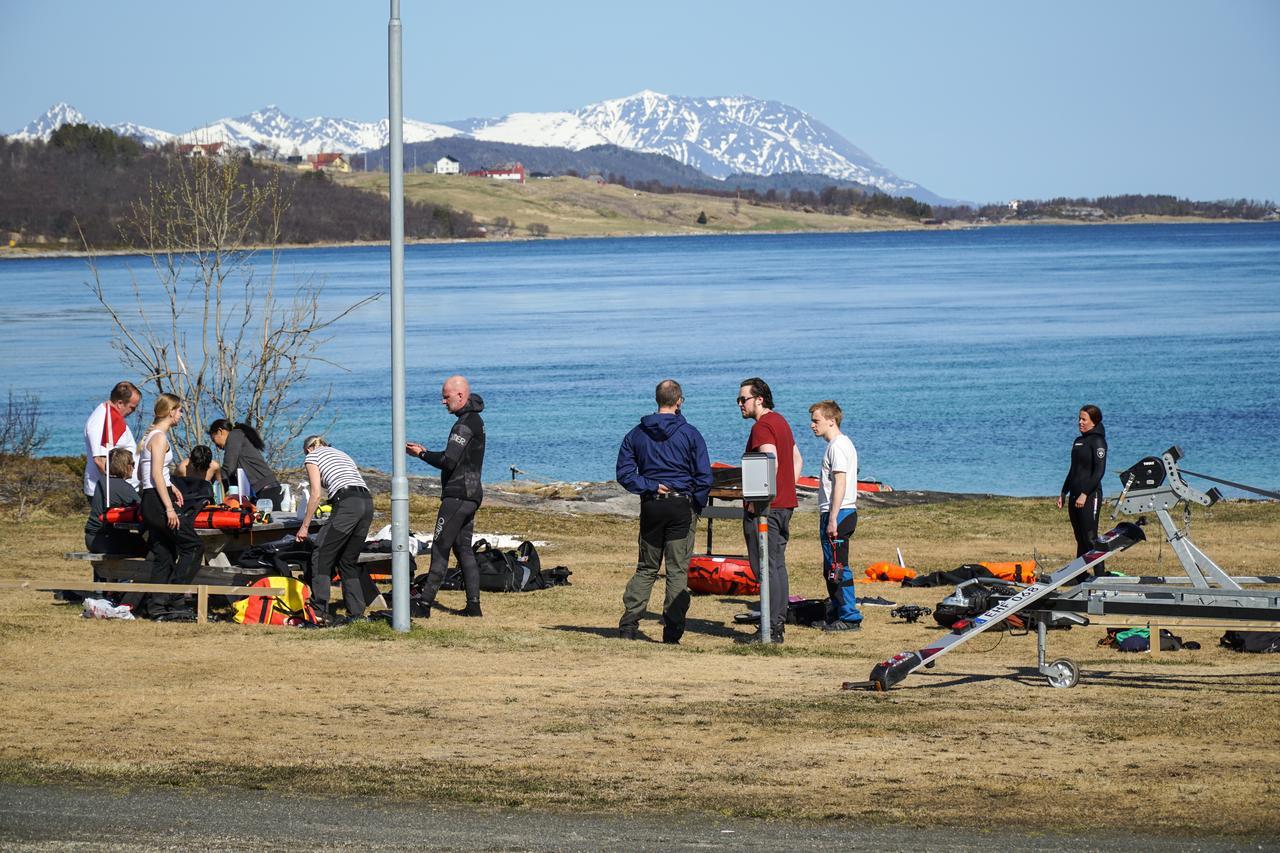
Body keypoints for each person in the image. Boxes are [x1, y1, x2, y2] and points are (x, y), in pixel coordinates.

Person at [615, 379, 712, 644]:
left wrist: (648, 485)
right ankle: (672, 631)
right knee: (677, 570)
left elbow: (624, 473)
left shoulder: (636, 434)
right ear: (679, 400)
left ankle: (629, 624)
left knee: (647, 567)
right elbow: (704, 475)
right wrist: (696, 504)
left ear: (657, 400)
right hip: (681, 504)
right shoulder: (690, 433)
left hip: (653, 505)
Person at [406, 375, 486, 618]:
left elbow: (448, 460)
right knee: (463, 550)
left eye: (446, 396)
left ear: (461, 396)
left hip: (458, 495)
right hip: (471, 494)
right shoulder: (475, 420)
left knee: (440, 548)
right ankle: (473, 607)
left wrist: (421, 454)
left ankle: (424, 605)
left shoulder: (464, 424)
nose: (443, 401)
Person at [736, 377, 801, 644]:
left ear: (759, 399)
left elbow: (768, 460)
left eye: (743, 399)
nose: (740, 404)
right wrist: (788, 488)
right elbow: (797, 459)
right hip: (784, 504)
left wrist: (763, 500)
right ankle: (776, 625)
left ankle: (771, 629)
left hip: (768, 509)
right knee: (777, 566)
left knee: (764, 566)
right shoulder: (781, 421)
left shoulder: (763, 426)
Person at [295, 435, 377, 624]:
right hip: (366, 503)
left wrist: (304, 526)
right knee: (348, 560)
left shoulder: (312, 456)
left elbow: (316, 493)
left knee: (321, 554)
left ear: (308, 449)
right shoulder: (342, 454)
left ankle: (319, 611)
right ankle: (356, 614)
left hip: (347, 503)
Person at [137, 393, 204, 617]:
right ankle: (176, 599)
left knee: (164, 554)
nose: (182, 415)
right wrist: (169, 507)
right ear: (170, 411)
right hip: (158, 501)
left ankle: (156, 606)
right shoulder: (159, 438)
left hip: (150, 497)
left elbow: (145, 473)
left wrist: (171, 485)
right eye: (180, 411)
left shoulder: (150, 437)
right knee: (193, 546)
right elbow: (155, 472)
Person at [809, 400, 862, 631]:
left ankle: (850, 617)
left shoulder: (838, 446)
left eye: (816, 420)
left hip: (839, 513)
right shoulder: (840, 444)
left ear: (832, 421)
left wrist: (832, 517)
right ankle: (836, 610)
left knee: (838, 567)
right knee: (831, 567)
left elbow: (840, 482)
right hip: (838, 512)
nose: (812, 425)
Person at [1059, 404, 1108, 579]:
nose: (1080, 422)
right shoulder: (1078, 441)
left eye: (1084, 419)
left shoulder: (1098, 441)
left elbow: (1099, 472)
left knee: (1090, 537)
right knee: (1079, 537)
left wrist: (1085, 494)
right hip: (1074, 495)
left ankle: (1100, 576)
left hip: (1090, 495)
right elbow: (1073, 469)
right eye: (1079, 418)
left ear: (1094, 421)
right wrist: (1063, 492)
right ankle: (1080, 576)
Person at [83, 381, 141, 506]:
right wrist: (119, 487)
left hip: (118, 490)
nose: (133, 411)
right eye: (132, 407)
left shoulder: (112, 417)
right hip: (108, 492)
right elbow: (100, 460)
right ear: (120, 403)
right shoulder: (104, 419)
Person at [208, 419, 283, 509]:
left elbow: (228, 468)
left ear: (220, 431)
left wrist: (211, 481)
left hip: (267, 491)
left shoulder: (234, 436)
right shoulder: (238, 437)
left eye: (214, 440)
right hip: (263, 491)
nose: (217, 447)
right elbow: (231, 476)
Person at [84, 447, 146, 555]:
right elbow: (145, 509)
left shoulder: (103, 481)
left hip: (93, 538)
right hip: (105, 540)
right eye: (132, 464)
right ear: (126, 466)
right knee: (157, 546)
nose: (133, 467)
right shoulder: (123, 487)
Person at [172, 445, 217, 512]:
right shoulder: (182, 468)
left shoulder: (215, 468)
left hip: (206, 501)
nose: (199, 471)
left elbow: (222, 487)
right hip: (188, 502)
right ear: (190, 459)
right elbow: (174, 484)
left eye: (203, 469)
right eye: (196, 467)